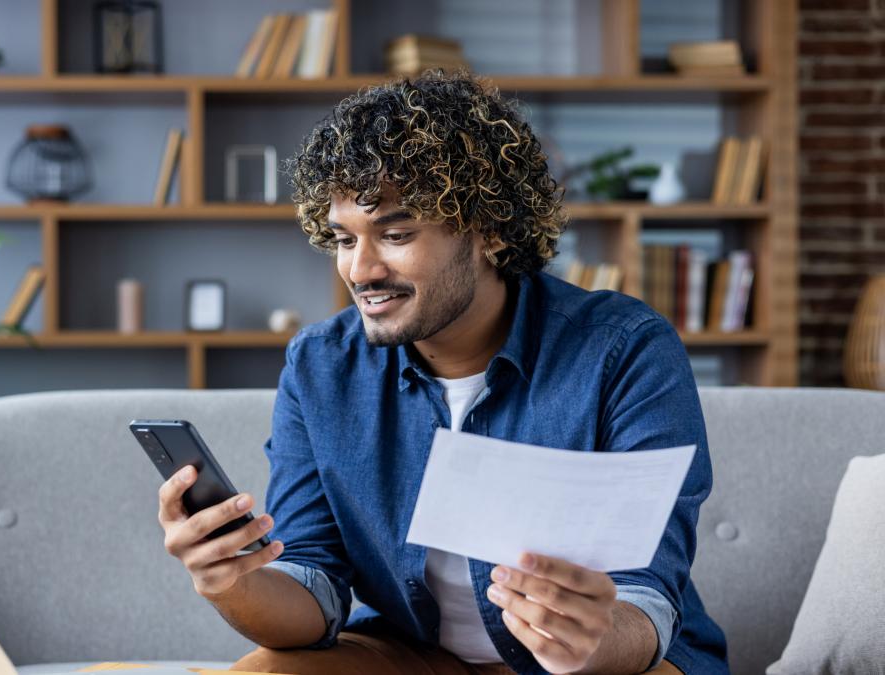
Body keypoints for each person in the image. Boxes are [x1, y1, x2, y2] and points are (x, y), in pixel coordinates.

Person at [156, 70, 728, 674]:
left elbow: (646, 597)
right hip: (414, 654)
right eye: (345, 240)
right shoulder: (322, 364)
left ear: (487, 230)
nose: (361, 270)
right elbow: (313, 587)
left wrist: (589, 637)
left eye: (396, 234)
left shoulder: (625, 348)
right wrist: (228, 579)